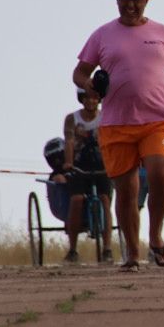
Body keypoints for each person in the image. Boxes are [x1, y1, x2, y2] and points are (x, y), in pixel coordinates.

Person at [73, 0, 164, 272]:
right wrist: (88, 84)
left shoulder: (163, 33)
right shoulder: (102, 35)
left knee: (159, 173)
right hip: (116, 123)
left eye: (137, 1)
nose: (131, 5)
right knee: (126, 192)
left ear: (146, 1)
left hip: (158, 119)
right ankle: (131, 253)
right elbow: (79, 72)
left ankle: (155, 238)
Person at [56, 88, 113, 263]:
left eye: (95, 97)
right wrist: (68, 162)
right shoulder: (72, 119)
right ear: (82, 99)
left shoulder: (106, 117)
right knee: (77, 200)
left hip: (101, 165)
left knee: (105, 200)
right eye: (87, 97)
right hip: (79, 166)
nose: (91, 101)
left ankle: (107, 248)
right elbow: (69, 141)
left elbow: (110, 140)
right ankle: (72, 249)